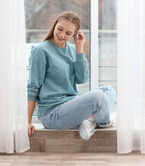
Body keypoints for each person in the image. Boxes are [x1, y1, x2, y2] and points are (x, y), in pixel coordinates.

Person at [27, 11, 116, 140]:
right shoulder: (41, 51)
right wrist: (27, 122)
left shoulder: (73, 50)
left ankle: (90, 122)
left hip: (70, 105)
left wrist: (79, 48)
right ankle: (102, 122)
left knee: (109, 90)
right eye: (60, 29)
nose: (62, 35)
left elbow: (82, 79)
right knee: (99, 97)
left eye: (68, 33)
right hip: (52, 113)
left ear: (74, 34)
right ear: (55, 25)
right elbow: (33, 88)